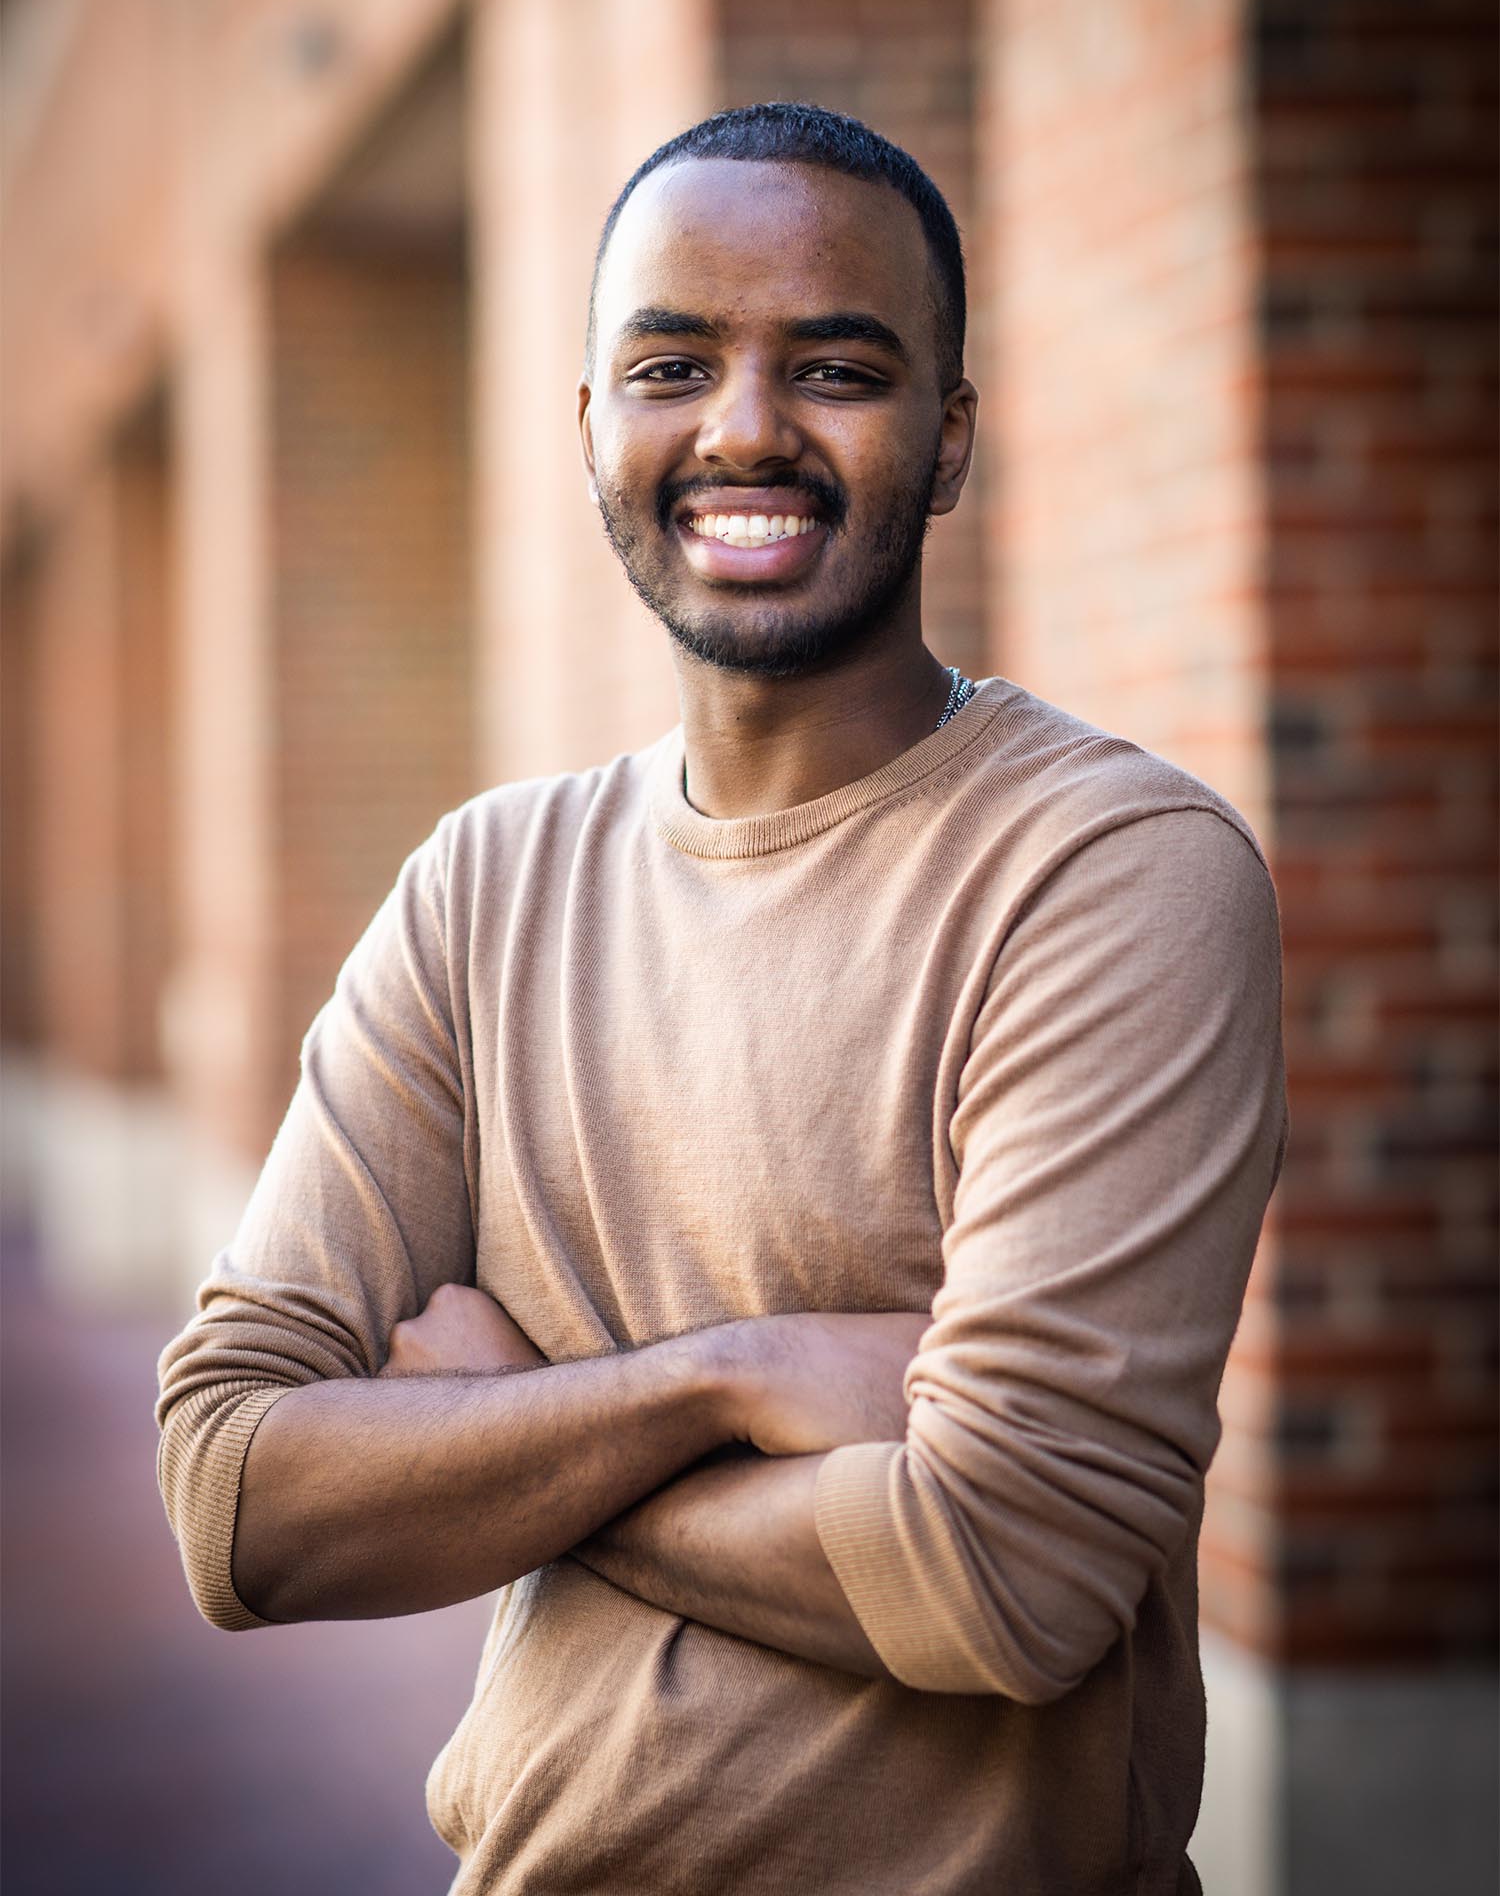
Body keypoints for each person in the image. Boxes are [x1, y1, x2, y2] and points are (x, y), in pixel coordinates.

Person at [157, 102, 1286, 1895]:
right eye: (673, 363)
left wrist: (508, 1419)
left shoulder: (1111, 870)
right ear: (593, 425)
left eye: (835, 365)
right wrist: (721, 1383)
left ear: (951, 436)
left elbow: (1011, 1575)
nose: (746, 429)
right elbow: (235, 1498)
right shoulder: (482, 891)